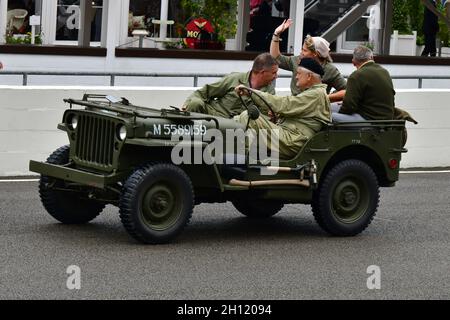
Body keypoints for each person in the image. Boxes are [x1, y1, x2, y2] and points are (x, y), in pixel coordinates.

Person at [234, 58, 331, 160]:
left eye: (298, 73)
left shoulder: (316, 94)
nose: (296, 77)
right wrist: (280, 115)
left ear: (309, 76)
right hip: (289, 137)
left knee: (249, 117)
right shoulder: (313, 93)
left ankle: (242, 161)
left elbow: (284, 104)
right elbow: (295, 111)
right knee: (240, 119)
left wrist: (251, 92)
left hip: (292, 140)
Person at [270, 19, 346, 102]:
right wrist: (276, 34)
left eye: (304, 50)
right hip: (295, 106)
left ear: (315, 53)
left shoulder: (330, 69)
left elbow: (346, 91)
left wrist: (325, 98)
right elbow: (275, 57)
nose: (301, 53)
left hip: (315, 109)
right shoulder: (297, 60)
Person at [183, 53, 278, 118]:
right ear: (262, 72)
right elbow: (205, 92)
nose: (276, 76)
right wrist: (187, 103)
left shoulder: (269, 92)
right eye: (274, 73)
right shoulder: (235, 78)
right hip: (214, 114)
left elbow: (265, 116)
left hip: (239, 125)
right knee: (194, 103)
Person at [332, 45, 395, 122]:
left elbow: (349, 107)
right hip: (386, 119)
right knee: (332, 109)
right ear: (372, 58)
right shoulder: (384, 72)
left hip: (370, 120)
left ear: (353, 62)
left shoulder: (356, 76)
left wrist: (341, 113)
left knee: (326, 116)